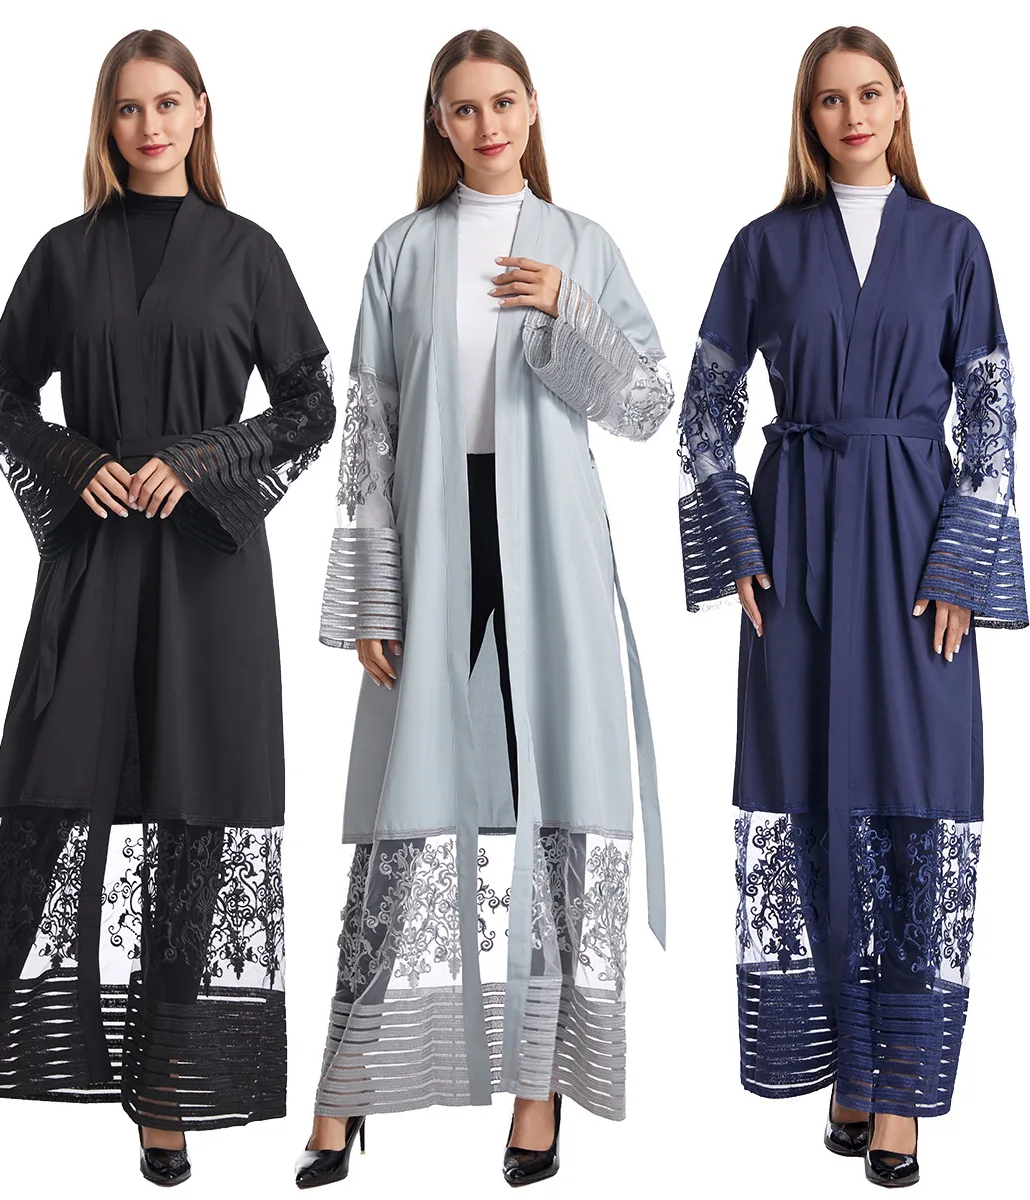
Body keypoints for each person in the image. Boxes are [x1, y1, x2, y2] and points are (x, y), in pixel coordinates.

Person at [0, 28, 335, 1188]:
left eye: (166, 103)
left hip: (209, 576)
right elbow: (1, 397)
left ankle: (167, 1095)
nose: (148, 125)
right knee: (41, 809)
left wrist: (202, 460)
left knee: (193, 820)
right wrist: (73, 459)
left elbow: (310, 405)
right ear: (107, 123)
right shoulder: (65, 254)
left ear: (201, 111)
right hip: (95, 568)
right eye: (127, 107)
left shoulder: (249, 253)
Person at [295, 28, 672, 1191]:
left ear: (533, 107)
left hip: (550, 548)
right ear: (438, 123)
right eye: (463, 108)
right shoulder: (403, 251)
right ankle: (346, 1089)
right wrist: (373, 591)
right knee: (403, 813)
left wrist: (568, 310)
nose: (487, 125)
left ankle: (538, 1092)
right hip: (435, 541)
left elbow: (647, 405)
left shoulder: (580, 244)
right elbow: (369, 433)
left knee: (558, 805)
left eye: (503, 102)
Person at [676, 24, 1027, 1190]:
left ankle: (902, 1093)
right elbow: (704, 409)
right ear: (808, 116)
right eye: (831, 99)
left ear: (900, 103)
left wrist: (963, 566)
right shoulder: (764, 246)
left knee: (918, 800)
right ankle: (848, 1066)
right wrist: (735, 539)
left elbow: (991, 413)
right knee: (813, 798)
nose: (853, 115)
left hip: (917, 539)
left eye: (871, 93)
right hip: (797, 546)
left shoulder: (953, 242)